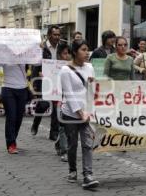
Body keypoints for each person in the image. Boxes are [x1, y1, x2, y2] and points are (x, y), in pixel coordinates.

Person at [60, 39, 99, 189]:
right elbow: (68, 94)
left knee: (87, 144)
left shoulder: (89, 67)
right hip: (71, 113)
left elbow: (92, 90)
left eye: (87, 49)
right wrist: (79, 112)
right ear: (75, 52)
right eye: (83, 49)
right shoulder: (65, 70)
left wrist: (91, 110)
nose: (87, 52)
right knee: (72, 144)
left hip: (87, 112)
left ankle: (88, 175)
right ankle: (72, 170)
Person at [31, 26, 61, 140]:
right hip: (44, 81)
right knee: (43, 105)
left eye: (58, 35)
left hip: (57, 81)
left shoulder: (62, 48)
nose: (57, 37)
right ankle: (36, 123)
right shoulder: (41, 48)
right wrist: (35, 81)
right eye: (55, 35)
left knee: (56, 106)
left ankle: (54, 132)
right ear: (49, 35)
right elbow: (35, 66)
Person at [0, 63, 29, 154]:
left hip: (22, 89)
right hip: (8, 89)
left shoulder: (24, 53)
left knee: (18, 118)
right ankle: (11, 144)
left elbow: (37, 62)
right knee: (11, 116)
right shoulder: (5, 52)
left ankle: (13, 139)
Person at [54, 43, 71, 162]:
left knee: (69, 127)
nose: (67, 56)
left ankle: (59, 143)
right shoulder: (53, 67)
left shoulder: (73, 66)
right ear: (59, 55)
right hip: (59, 99)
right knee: (63, 126)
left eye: (69, 53)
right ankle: (64, 151)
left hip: (71, 99)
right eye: (65, 53)